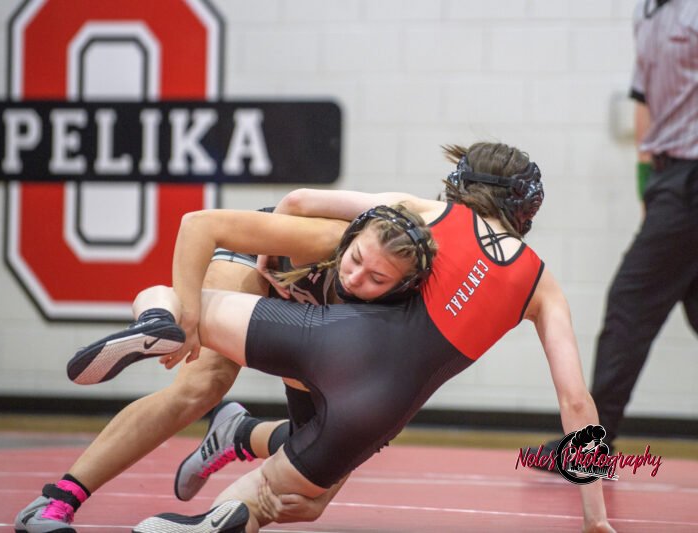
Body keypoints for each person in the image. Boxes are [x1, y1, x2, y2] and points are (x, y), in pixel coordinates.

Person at [81, 142, 611, 532]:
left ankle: (159, 316)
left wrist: (270, 269)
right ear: (525, 212)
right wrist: (595, 521)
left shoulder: (427, 214)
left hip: (323, 335)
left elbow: (298, 199)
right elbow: (575, 401)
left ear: (463, 184)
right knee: (292, 500)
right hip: (381, 408)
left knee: (183, 300)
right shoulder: (543, 286)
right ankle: (222, 508)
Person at [14, 205, 436, 532]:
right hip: (260, 267)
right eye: (356, 257)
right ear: (354, 236)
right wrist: (193, 317)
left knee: (320, 439)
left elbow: (361, 434)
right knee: (200, 386)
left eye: (376, 278)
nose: (356, 277)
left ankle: (237, 433)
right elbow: (198, 224)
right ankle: (57, 499)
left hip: (318, 330)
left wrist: (324, 491)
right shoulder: (325, 237)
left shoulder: (394, 324)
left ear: (400, 288)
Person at [534, 0, 698, 462]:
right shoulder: (646, 11)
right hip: (671, 178)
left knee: (631, 300)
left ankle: (591, 444)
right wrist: (649, 182)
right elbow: (644, 97)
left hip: (692, 177)